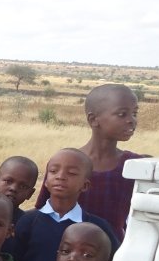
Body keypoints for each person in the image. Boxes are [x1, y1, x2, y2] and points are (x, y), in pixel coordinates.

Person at [34, 83, 143, 240]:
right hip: (64, 246)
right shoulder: (65, 162)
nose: (131, 120)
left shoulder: (134, 165)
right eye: (122, 114)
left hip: (112, 248)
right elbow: (43, 209)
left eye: (134, 113)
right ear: (93, 119)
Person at [0, 156, 39, 225]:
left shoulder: (26, 223)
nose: (13, 188)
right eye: (8, 181)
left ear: (30, 194)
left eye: (23, 186)